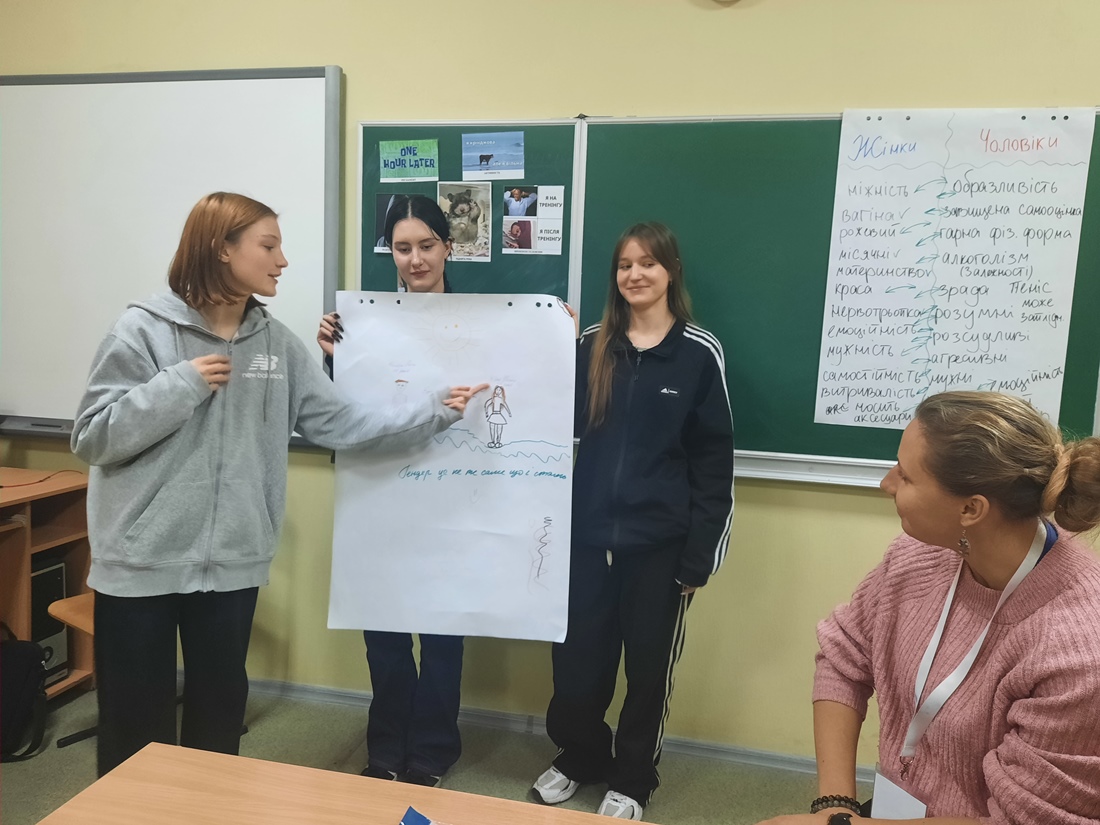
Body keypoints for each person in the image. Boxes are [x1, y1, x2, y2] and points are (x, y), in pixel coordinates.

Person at [72, 192, 485, 778]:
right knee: (135, 734)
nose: (283, 260)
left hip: (233, 567)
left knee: (218, 727)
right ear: (222, 249)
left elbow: (341, 423)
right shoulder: (142, 330)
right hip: (140, 565)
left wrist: (436, 409)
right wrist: (178, 387)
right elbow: (92, 437)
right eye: (269, 246)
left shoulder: (276, 344)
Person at [756, 391, 1100, 825]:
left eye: (905, 476)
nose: (887, 484)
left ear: (971, 509)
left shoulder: (1078, 651)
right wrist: (836, 806)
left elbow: (1023, 820)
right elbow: (844, 660)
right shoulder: (922, 554)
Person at [531, 222, 735, 820]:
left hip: (660, 549)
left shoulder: (698, 353)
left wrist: (700, 557)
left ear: (671, 271)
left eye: (648, 263)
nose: (635, 274)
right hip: (586, 542)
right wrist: (550, 345)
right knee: (576, 668)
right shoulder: (592, 344)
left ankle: (634, 777)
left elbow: (714, 464)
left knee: (647, 674)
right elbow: (547, 416)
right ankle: (581, 755)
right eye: (624, 265)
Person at [318, 194, 470, 787]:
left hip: (452, 501)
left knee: (442, 636)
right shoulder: (364, 325)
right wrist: (334, 359)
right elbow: (340, 412)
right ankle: (385, 746)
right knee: (382, 631)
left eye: (427, 245)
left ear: (448, 247)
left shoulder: (486, 320)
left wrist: (549, 332)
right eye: (403, 248)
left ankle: (432, 750)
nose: (416, 260)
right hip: (378, 496)